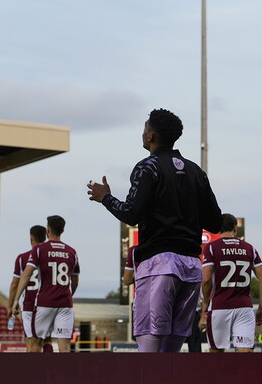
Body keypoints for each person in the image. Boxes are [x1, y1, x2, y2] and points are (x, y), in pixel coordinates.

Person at [87, 108, 222, 353]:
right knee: (171, 351)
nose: (143, 132)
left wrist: (105, 197)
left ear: (150, 136)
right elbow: (216, 223)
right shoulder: (196, 172)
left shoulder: (147, 167)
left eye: (144, 128)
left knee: (149, 346)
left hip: (159, 264)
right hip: (192, 268)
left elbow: (131, 214)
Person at [198, 213, 262, 352]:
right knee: (245, 351)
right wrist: (261, 307)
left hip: (220, 306)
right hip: (244, 307)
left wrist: (205, 306)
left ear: (218, 229)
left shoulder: (211, 247)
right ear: (235, 228)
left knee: (216, 352)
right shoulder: (249, 248)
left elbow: (206, 280)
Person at [10, 215, 80, 353]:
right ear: (63, 230)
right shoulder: (72, 252)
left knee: (35, 342)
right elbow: (75, 281)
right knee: (64, 347)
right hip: (65, 304)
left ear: (48, 230)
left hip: (44, 303)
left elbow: (27, 274)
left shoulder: (40, 249)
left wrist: (16, 299)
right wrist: (68, 294)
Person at [7, 225, 47, 351]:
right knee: (45, 340)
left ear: (31, 238)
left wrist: (11, 304)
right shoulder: (49, 255)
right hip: (46, 303)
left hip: (29, 304)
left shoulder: (22, 258)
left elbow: (14, 284)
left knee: (31, 341)